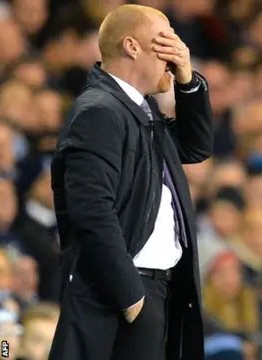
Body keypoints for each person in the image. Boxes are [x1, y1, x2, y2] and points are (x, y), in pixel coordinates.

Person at [48, 4, 213, 360]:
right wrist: (131, 297)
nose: (176, 52)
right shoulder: (99, 111)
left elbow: (195, 146)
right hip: (122, 295)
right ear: (132, 46)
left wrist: (187, 81)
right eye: (165, 41)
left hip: (156, 289)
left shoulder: (140, 109)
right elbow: (92, 212)